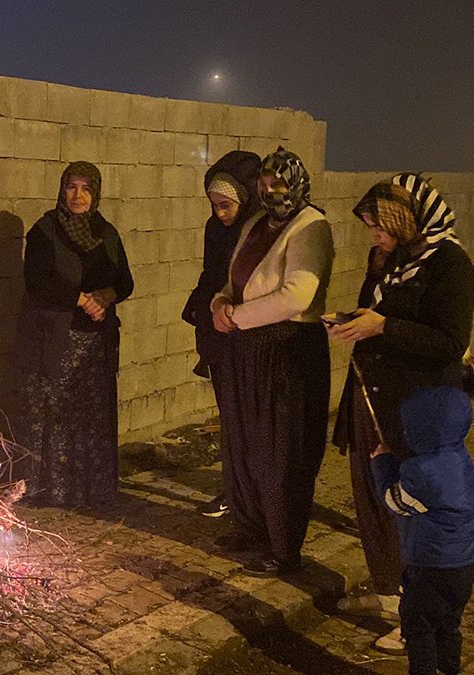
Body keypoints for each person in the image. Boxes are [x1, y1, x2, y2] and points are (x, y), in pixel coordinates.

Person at [328, 173, 474, 652]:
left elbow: (449, 342)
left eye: (379, 225)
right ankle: (389, 593)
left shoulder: (450, 263)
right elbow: (377, 314)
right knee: (374, 499)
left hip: (419, 412)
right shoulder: (392, 260)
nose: (374, 235)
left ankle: (421, 619)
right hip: (372, 398)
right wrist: (354, 320)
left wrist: (383, 326)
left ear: (406, 218)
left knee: (414, 510)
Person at [209, 147, 334, 577]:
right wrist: (220, 302)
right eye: (264, 185)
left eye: (279, 183)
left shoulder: (310, 226)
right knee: (243, 443)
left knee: (280, 450)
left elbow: (298, 294)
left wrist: (236, 317)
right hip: (247, 346)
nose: (270, 191)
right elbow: (233, 278)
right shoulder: (256, 225)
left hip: (287, 350)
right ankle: (251, 527)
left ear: (296, 184)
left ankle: (283, 548)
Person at [14, 161, 134, 507]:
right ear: (62, 189)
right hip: (55, 342)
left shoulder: (106, 233)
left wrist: (105, 297)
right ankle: (51, 492)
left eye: (86, 188)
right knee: (54, 417)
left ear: (95, 193)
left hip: (95, 344)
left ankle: (90, 491)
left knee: (89, 418)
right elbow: (37, 282)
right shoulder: (45, 231)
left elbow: (124, 281)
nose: (78, 195)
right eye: (71, 187)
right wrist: (81, 299)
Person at [371, 387, 474, 674]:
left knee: (419, 629)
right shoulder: (458, 457)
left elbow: (395, 501)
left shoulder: (424, 470)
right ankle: (448, 670)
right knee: (448, 626)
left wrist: (382, 463)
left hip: (431, 567)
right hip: (462, 566)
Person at [181, 149, 263, 518]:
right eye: (214, 204)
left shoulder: (261, 227)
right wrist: (204, 306)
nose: (219, 213)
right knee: (230, 418)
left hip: (252, 336)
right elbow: (211, 274)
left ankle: (257, 494)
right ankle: (233, 489)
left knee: (253, 421)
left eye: (226, 204)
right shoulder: (215, 229)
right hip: (219, 334)